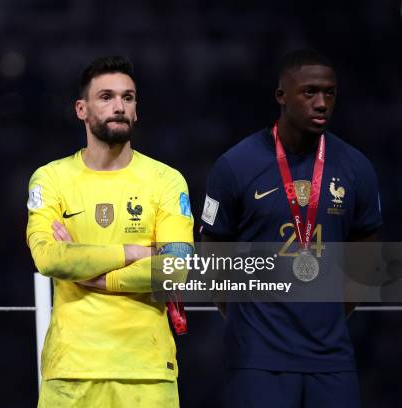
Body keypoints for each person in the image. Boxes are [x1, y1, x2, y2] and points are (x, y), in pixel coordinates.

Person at [199, 49, 382, 407]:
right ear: (282, 95)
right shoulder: (235, 166)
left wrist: (326, 315)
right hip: (257, 361)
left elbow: (365, 256)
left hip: (331, 360)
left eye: (329, 93)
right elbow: (213, 259)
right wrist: (248, 319)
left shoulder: (357, 169)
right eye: (309, 92)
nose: (321, 102)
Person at [26, 56, 194, 407]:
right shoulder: (51, 178)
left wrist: (90, 274)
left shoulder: (166, 180)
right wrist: (133, 252)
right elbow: (49, 257)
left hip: (147, 372)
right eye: (106, 97)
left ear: (136, 109)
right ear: (81, 109)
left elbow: (175, 269)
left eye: (128, 98)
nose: (119, 106)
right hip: (70, 370)